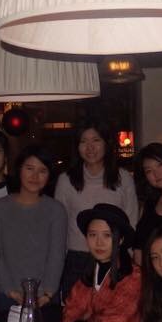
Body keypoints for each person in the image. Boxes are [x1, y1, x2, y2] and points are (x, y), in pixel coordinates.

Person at [0, 145, 67, 322]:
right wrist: (12, 291)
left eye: (42, 171)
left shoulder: (56, 210)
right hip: (5, 296)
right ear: (19, 169)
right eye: (29, 168)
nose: (35, 176)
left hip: (45, 298)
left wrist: (47, 293)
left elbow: (57, 255)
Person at [54, 119, 139, 296]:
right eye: (83, 141)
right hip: (78, 259)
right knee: (75, 310)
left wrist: (129, 259)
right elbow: (59, 227)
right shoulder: (66, 180)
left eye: (96, 140)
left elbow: (131, 222)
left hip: (114, 258)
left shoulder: (123, 178)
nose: (90, 147)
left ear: (107, 143)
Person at [62, 203, 141, 322]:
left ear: (121, 239)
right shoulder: (89, 273)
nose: (99, 243)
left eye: (107, 235)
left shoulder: (134, 277)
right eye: (92, 235)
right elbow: (69, 312)